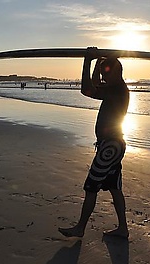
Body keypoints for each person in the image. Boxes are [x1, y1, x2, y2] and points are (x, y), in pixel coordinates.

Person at [58, 47, 130, 239]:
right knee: (114, 188)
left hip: (110, 146)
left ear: (116, 73)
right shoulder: (116, 87)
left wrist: (88, 60)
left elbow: (87, 89)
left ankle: (80, 228)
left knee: (91, 187)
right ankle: (123, 229)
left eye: (107, 74)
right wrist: (97, 63)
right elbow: (96, 82)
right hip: (114, 145)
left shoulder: (117, 89)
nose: (104, 79)